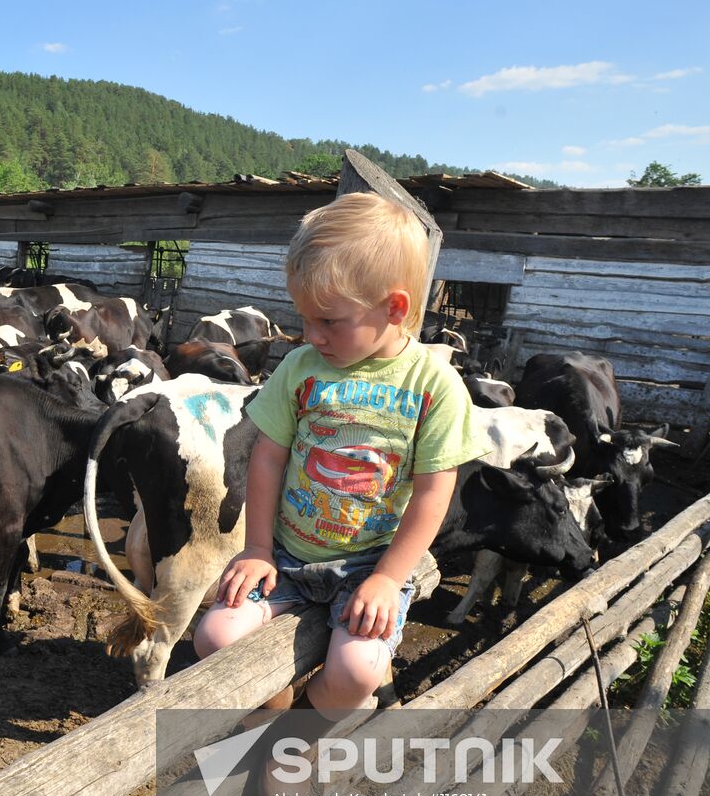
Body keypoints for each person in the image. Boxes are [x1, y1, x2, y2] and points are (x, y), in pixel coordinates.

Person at [193, 192, 491, 716]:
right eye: (305, 318)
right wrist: (258, 548)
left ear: (394, 308)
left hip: (367, 563)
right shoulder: (301, 367)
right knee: (214, 637)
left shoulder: (434, 384)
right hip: (286, 554)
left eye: (329, 321)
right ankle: (272, 713)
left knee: (356, 671)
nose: (311, 335)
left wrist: (387, 578)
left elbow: (433, 491)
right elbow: (267, 458)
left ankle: (299, 738)